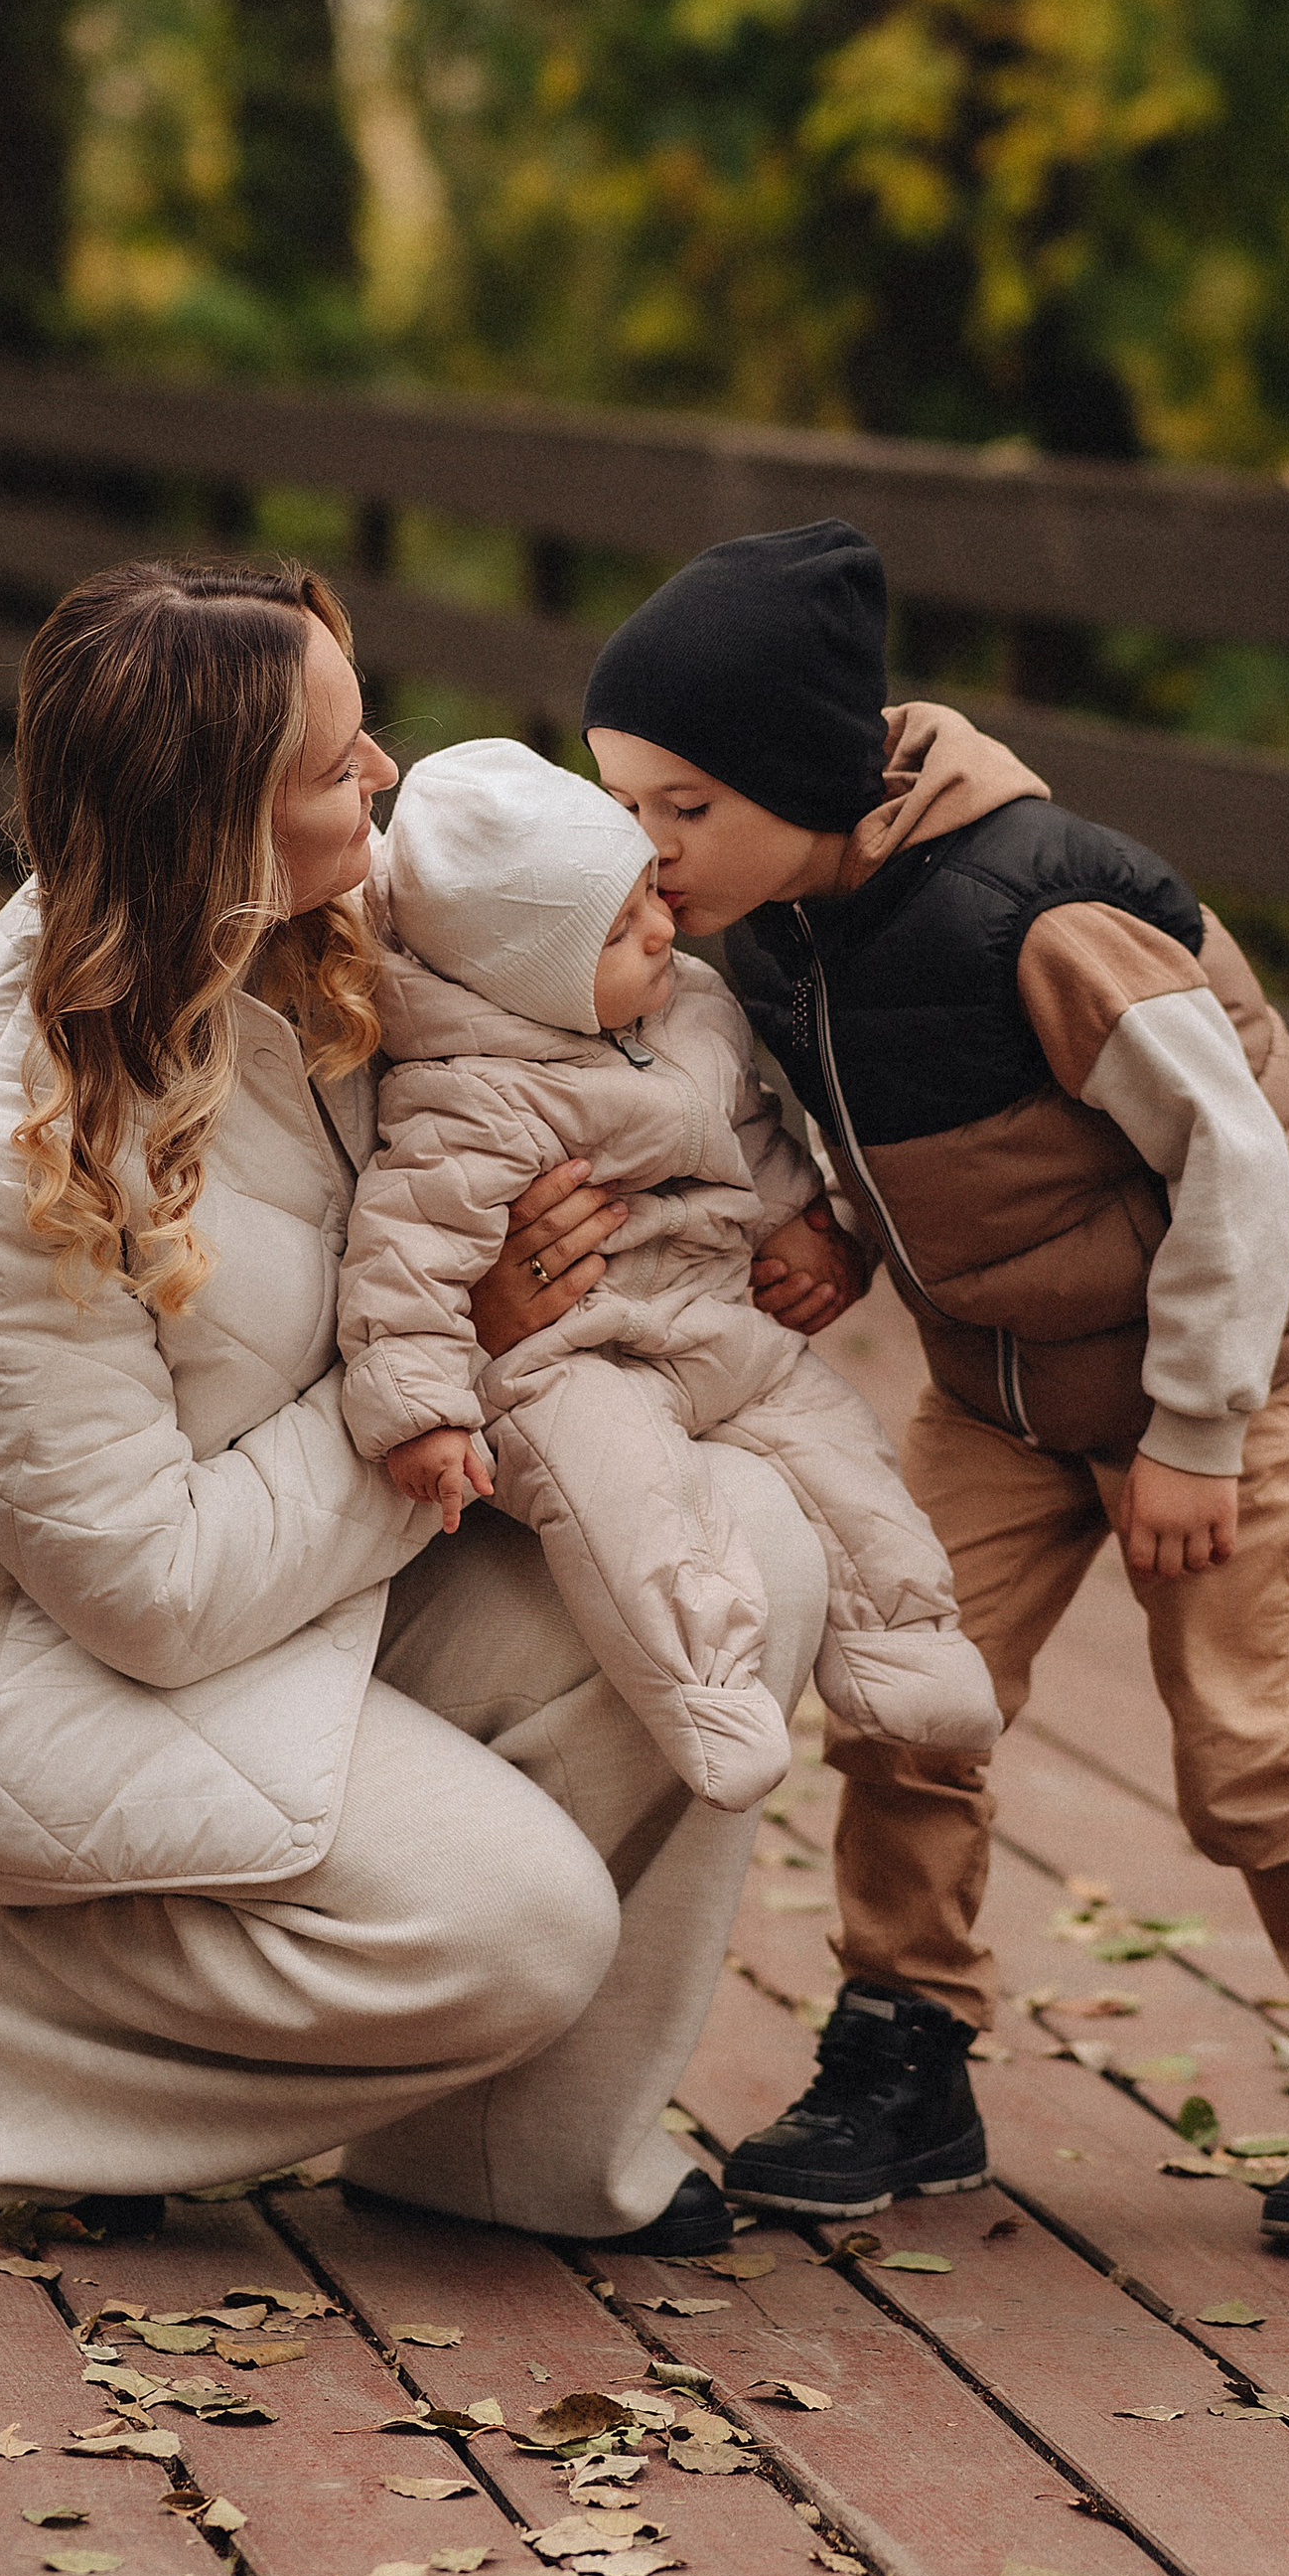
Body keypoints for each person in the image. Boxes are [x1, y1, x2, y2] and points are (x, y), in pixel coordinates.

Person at [0, 555, 825, 2254]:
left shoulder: (327, 915)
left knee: (745, 1547)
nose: (388, 777)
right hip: (35, 1656)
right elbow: (152, 1595)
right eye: (341, 767)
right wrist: (459, 1344)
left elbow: (631, 948)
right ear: (220, 829)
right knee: (515, 1928)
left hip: (303, 1556)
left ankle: (504, 2154)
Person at [582, 520, 1289, 2261]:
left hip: (1230, 1378)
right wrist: (842, 1227)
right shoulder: (773, 924)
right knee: (905, 1693)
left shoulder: (1046, 911)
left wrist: (1196, 1428)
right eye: (624, 800)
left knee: (1251, 1747)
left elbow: (1234, 1160)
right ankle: (908, 2048)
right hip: (1002, 1388)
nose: (648, 844)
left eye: (686, 803)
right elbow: (900, 1123)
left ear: (806, 776)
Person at [338, 736, 997, 1815]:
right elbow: (404, 1257)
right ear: (526, 975)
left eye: (649, 889)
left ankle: (905, 1651)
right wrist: (422, 1411)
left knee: (839, 1445)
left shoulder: (687, 1005)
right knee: (632, 1503)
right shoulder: (473, 1094)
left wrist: (796, 1221)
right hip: (565, 1361)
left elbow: (750, 1129)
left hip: (708, 1318)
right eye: (617, 929)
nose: (661, 927)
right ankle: (709, 1691)